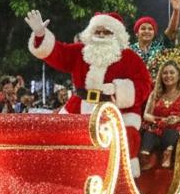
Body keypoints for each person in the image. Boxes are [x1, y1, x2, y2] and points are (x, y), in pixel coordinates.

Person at [26, 9, 153, 176]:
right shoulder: (81, 52)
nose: (100, 35)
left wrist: (118, 89)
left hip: (118, 111)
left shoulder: (130, 58)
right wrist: (41, 35)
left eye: (106, 32)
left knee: (126, 139)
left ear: (116, 34)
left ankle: (121, 180)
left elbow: (144, 85)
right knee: (58, 134)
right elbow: (58, 53)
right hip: (80, 105)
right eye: (97, 31)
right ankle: (60, 174)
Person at [141, 61, 180, 173]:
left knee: (170, 133)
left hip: (177, 131)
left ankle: (167, 153)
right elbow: (146, 115)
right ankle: (145, 158)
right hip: (157, 129)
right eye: (165, 73)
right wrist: (159, 120)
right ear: (161, 76)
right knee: (149, 133)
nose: (168, 76)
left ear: (179, 76)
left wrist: (179, 119)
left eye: (172, 73)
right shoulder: (155, 94)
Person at [131, 0, 180, 70]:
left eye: (150, 29)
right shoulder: (129, 51)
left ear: (154, 33)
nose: (147, 31)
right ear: (136, 33)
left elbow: (171, 30)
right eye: (143, 28)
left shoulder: (160, 47)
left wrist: (176, 11)